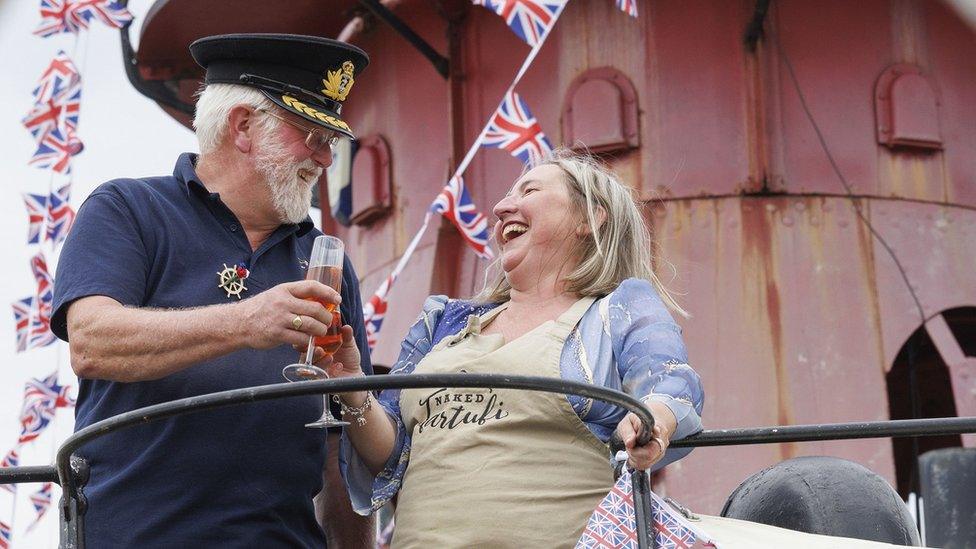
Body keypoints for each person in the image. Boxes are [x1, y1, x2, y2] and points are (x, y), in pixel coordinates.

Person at [52, 34, 374, 547]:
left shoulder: (326, 258)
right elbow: (92, 341)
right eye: (312, 137)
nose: (325, 159)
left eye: (331, 142)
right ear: (243, 126)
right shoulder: (128, 208)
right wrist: (247, 322)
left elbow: (339, 448)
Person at [317, 150, 705, 547]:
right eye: (505, 196)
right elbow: (389, 453)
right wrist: (352, 387)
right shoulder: (441, 323)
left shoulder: (614, 310)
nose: (501, 208)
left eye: (530, 190)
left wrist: (651, 420)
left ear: (590, 217)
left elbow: (669, 381)